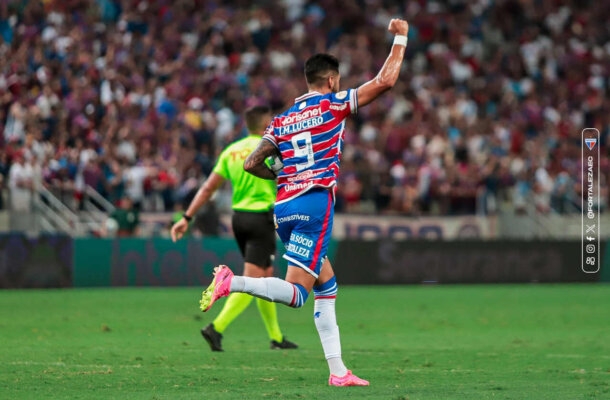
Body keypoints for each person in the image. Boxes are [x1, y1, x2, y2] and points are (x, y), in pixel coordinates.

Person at [198, 18, 410, 386]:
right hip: (314, 205)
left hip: (283, 208)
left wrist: (285, 176)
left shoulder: (283, 119)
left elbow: (252, 163)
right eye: (337, 80)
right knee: (297, 293)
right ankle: (232, 283)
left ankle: (338, 371)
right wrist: (402, 37)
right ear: (330, 80)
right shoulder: (335, 103)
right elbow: (386, 81)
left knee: (326, 285)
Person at [171, 105, 298, 352]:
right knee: (252, 281)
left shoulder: (231, 151)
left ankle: (276, 337)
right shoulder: (270, 148)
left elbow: (208, 188)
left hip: (239, 218)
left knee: (264, 278)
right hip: (261, 217)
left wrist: (187, 216)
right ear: (264, 126)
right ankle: (216, 328)